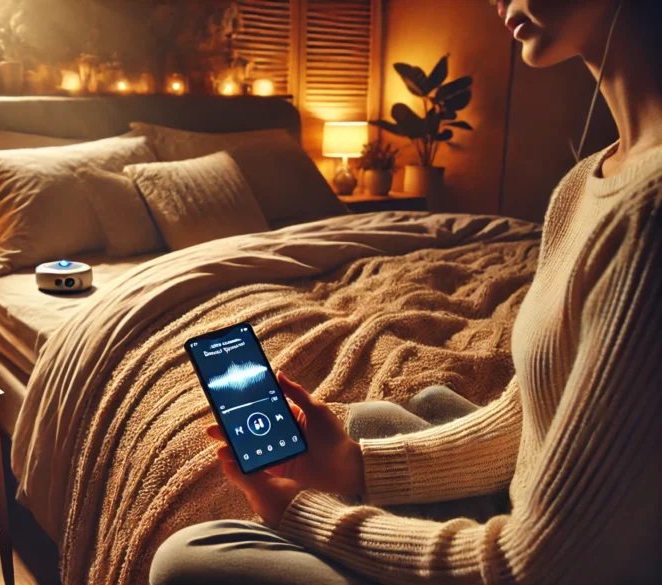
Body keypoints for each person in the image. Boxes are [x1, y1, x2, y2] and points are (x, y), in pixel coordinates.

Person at [150, 0, 662, 583]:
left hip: (549, 563)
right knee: (380, 417)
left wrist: (297, 514)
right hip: (550, 518)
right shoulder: (584, 182)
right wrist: (352, 466)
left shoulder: (649, 214)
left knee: (185, 558)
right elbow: (534, 416)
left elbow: (533, 565)